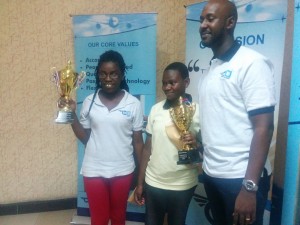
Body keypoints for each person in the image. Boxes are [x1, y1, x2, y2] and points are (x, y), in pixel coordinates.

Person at [198, 1, 276, 225]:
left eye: (210, 18)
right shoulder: (212, 67)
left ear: (230, 22)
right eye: (202, 19)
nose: (203, 24)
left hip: (241, 180)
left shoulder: (252, 64)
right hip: (213, 174)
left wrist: (249, 187)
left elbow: (264, 127)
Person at [67, 50, 144, 225]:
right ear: (98, 75)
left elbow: (138, 142)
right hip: (94, 169)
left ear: (121, 74)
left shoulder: (133, 104)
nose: (108, 78)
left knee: (118, 218)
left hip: (123, 170)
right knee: (99, 220)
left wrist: (141, 176)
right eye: (103, 73)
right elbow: (85, 138)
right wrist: (72, 116)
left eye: (113, 73)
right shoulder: (89, 101)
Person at [134, 62, 201, 225]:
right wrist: (140, 183)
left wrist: (196, 142)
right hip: (154, 181)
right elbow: (147, 149)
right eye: (164, 83)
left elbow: (208, 146)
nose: (167, 87)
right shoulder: (156, 110)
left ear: (186, 82)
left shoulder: (197, 110)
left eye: (172, 82)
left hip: (183, 184)